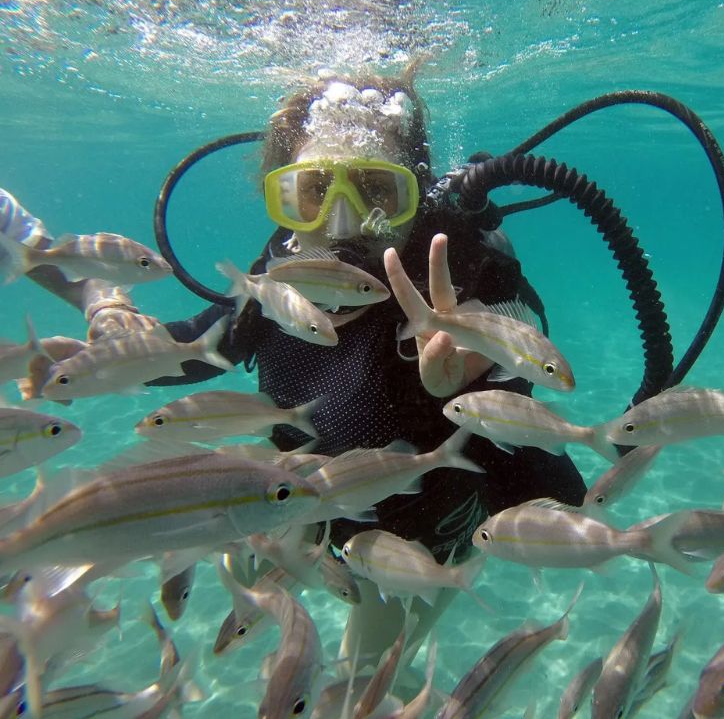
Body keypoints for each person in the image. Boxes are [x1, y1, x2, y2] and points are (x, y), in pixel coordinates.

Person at [11, 68, 587, 675]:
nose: (341, 223)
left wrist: (473, 381)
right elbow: (198, 348)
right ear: (281, 197)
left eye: (376, 191)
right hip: (294, 495)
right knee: (254, 593)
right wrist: (103, 359)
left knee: (359, 681)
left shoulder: (458, 267)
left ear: (416, 194)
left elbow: (525, 379)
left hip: (415, 524)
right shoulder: (284, 270)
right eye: (313, 194)